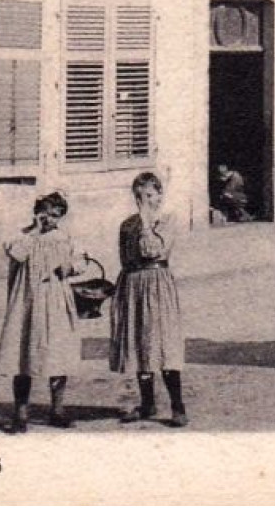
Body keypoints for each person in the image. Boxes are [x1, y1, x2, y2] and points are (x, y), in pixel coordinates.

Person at [0, 191, 82, 433]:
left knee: (58, 356)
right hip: (27, 302)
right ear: (37, 212)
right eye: (46, 213)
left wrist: (71, 267)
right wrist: (34, 231)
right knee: (24, 357)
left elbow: (81, 260)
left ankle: (57, 410)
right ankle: (20, 414)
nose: (50, 220)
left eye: (56, 215)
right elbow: (17, 253)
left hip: (55, 301)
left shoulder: (64, 237)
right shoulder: (22, 236)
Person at [109, 171, 189, 427]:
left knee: (162, 343)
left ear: (160, 195)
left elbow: (152, 251)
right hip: (133, 284)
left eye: (149, 195)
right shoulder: (127, 225)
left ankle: (177, 406)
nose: (143, 200)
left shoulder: (168, 221)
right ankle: (147, 403)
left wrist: (146, 223)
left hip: (156, 285)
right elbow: (126, 257)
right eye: (138, 195)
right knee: (139, 343)